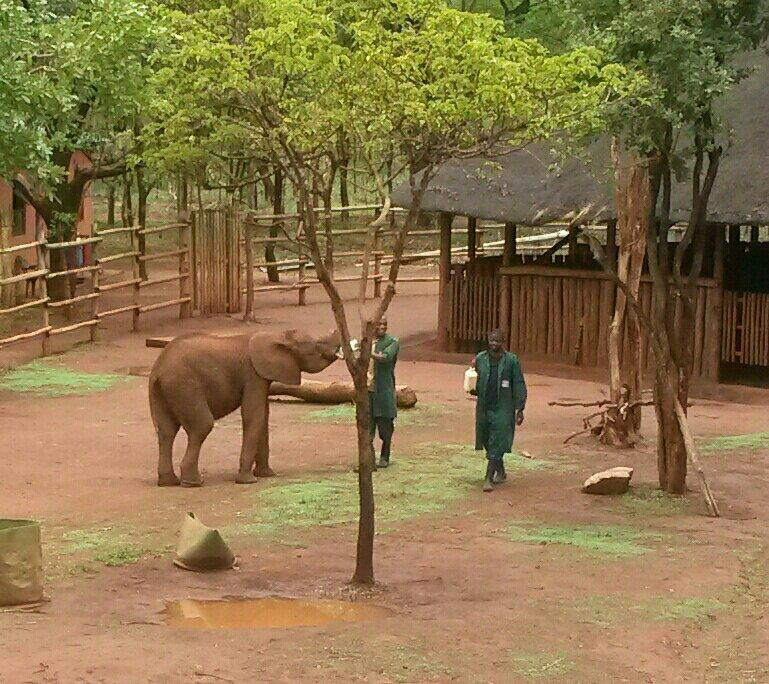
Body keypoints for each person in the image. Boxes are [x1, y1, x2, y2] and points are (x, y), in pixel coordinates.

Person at [471, 329, 527, 492]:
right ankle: (500, 470)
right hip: (484, 406)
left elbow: (518, 383)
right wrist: (472, 387)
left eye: (497, 341)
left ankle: (488, 478)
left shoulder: (511, 361)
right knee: (487, 439)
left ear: (503, 342)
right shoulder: (480, 359)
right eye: (491, 341)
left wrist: (520, 408)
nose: (494, 344)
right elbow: (474, 379)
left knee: (497, 440)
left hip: (503, 407)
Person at [369, 318, 399, 468]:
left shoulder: (392, 342)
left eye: (384, 324)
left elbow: (386, 357)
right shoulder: (367, 341)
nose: (382, 327)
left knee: (385, 428)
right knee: (367, 427)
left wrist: (369, 352)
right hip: (368, 391)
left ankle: (385, 455)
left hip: (384, 390)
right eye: (379, 324)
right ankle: (368, 458)